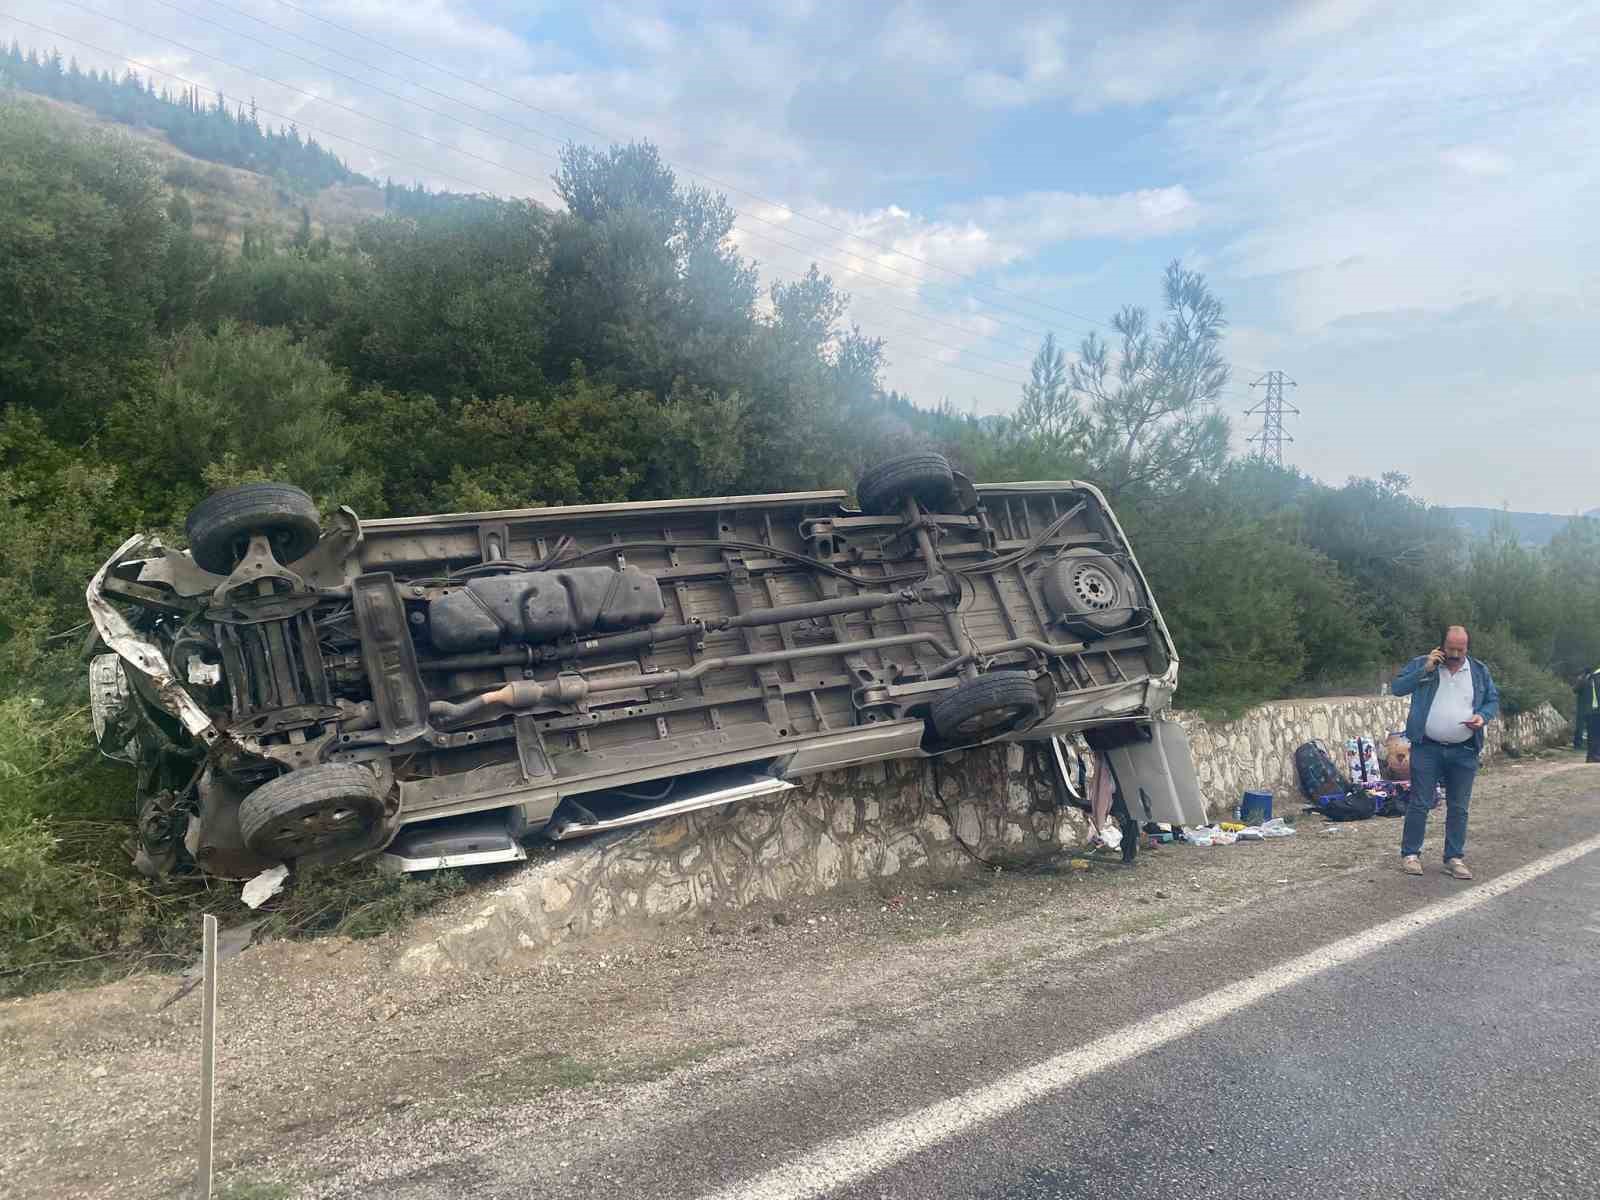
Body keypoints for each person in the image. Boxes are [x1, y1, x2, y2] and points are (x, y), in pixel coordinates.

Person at [1390, 626, 1500, 879]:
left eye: (1460, 649)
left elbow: (1492, 701)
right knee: (1419, 802)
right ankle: (1410, 854)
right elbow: (1398, 688)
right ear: (1442, 645)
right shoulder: (1424, 664)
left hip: (1464, 750)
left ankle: (1453, 858)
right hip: (1427, 747)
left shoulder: (1479, 671)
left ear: (1467, 648)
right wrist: (1425, 669)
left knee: (1459, 806)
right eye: (1451, 648)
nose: (1455, 654)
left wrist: (1482, 718)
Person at [1576, 667, 1600, 761]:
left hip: (1595, 711)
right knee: (1593, 734)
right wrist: (1581, 680)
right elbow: (1575, 690)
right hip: (1591, 712)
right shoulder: (1585, 682)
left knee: (1594, 734)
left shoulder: (1593, 683)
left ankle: (1593, 755)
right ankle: (1592, 755)